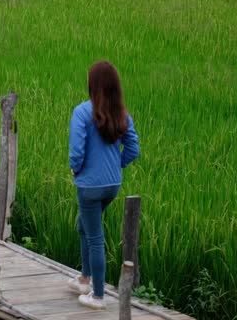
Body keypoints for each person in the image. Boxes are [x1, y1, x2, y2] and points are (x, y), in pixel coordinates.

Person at [67, 60, 140, 310]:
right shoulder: (121, 113)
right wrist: (115, 165)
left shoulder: (81, 112)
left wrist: (77, 169)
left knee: (95, 237)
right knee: (83, 226)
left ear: (93, 85)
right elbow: (133, 147)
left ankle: (97, 295)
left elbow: (76, 152)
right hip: (112, 185)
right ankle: (84, 279)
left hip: (89, 186)